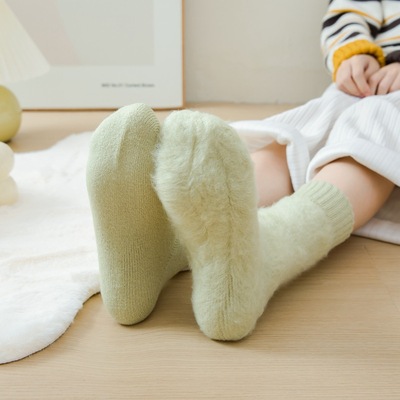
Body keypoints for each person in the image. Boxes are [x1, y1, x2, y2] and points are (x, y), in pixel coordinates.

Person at [86, 0, 400, 341]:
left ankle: (269, 249)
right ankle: (161, 245)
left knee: (372, 138)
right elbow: (349, 11)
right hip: (361, 86)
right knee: (297, 135)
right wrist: (354, 55)